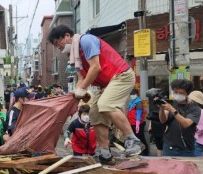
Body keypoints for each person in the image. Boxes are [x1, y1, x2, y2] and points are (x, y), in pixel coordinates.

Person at [48, 24, 143, 165]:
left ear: (67, 36)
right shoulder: (73, 54)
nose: (58, 47)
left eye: (58, 43)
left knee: (106, 104)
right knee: (94, 112)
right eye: (56, 45)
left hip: (121, 75)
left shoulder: (86, 41)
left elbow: (95, 67)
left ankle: (133, 140)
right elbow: (81, 78)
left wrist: (83, 88)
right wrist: (75, 94)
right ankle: (105, 153)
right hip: (104, 84)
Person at [158, 79, 201, 157]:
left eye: (181, 93)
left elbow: (186, 124)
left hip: (186, 149)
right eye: (175, 92)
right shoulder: (172, 103)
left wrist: (172, 110)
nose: (177, 94)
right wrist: (161, 108)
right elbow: (163, 120)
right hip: (169, 147)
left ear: (187, 94)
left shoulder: (194, 108)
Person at [188, 90, 203, 156]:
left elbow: (201, 129)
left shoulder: (202, 112)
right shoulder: (193, 110)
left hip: (196, 141)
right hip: (193, 140)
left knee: (194, 160)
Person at [126, 89, 149, 155]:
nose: (132, 95)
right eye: (131, 94)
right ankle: (139, 152)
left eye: (133, 94)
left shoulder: (138, 102)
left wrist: (137, 125)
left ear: (137, 94)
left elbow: (139, 115)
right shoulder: (132, 102)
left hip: (138, 124)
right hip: (132, 123)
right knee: (136, 139)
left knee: (141, 139)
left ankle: (145, 153)